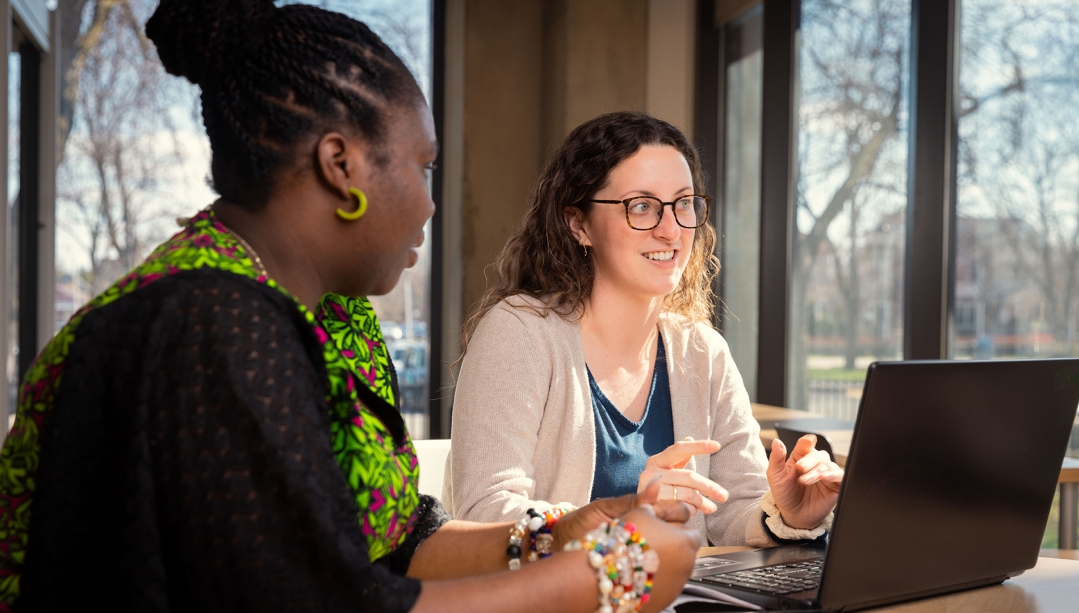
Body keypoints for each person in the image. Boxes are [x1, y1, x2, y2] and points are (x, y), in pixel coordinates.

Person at [0, 3, 700, 611]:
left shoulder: (333, 319)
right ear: (341, 166)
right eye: (421, 167)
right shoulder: (208, 325)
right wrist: (612, 577)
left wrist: (561, 532)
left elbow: (394, 544)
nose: (430, 203)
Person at [446, 112, 843, 547]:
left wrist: (786, 515)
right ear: (578, 224)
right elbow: (486, 515)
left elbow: (733, 509)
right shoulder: (518, 334)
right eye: (641, 206)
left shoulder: (703, 351)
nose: (671, 230)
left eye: (684, 202)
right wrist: (628, 518)